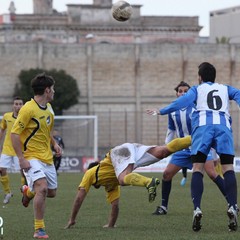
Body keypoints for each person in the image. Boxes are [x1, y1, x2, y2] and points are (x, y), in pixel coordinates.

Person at [155, 62, 239, 232]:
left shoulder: (196, 89)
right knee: (228, 168)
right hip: (223, 128)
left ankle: (197, 209)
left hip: (202, 128)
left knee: (198, 169)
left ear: (200, 77)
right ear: (214, 76)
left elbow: (182, 102)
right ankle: (232, 206)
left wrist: (161, 111)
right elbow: (238, 95)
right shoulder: (225, 88)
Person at [64, 136, 191, 229]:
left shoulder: (90, 173)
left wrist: (72, 219)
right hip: (131, 149)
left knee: (123, 179)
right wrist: (111, 225)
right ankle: (195, 136)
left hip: (119, 152)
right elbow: (115, 206)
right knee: (164, 151)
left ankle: (148, 182)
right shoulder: (110, 185)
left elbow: (79, 198)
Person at [148, 81, 227, 216]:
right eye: (180, 91)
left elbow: (207, 130)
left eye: (186, 91)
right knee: (167, 174)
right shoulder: (173, 111)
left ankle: (232, 203)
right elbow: (171, 130)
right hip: (182, 150)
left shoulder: (198, 108)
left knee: (213, 174)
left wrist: (214, 154)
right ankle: (163, 207)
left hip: (200, 147)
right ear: (177, 93)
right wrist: (167, 148)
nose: (183, 93)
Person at [11, 73, 62, 239]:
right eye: (52, 89)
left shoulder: (49, 109)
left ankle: (28, 192)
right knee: (42, 187)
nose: (54, 91)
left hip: (46, 157)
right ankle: (39, 229)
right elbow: (14, 133)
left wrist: (54, 144)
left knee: (52, 192)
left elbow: (46, 132)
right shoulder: (28, 109)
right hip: (30, 156)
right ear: (47, 90)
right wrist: (21, 159)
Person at [0, 96, 24, 204]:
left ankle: (25, 193)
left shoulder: (25, 117)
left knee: (23, 173)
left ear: (23, 105)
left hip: (19, 150)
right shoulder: (6, 116)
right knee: (1, 170)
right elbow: (2, 129)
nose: (18, 106)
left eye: (20, 104)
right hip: (7, 149)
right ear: (13, 105)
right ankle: (7, 192)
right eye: (16, 104)